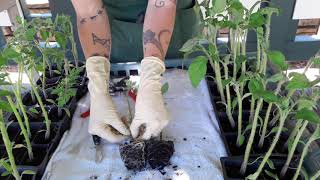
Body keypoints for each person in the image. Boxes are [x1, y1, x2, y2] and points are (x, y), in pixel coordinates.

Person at [71, 0, 197, 143]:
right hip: (113, 25)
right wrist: (98, 88)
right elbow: (89, 12)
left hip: (169, 23)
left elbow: (163, 3)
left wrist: (152, 79)